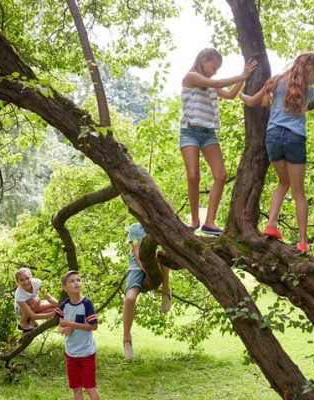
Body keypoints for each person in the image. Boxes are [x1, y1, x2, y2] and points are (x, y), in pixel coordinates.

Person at [239, 52, 314, 252]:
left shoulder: (275, 81)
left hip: (273, 137)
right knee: (298, 192)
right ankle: (302, 241)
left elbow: (251, 101)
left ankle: (271, 224)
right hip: (295, 138)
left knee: (283, 182)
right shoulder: (309, 92)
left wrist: (240, 93)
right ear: (310, 69)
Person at [180, 48, 258, 235]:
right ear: (204, 59)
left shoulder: (212, 85)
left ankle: (210, 222)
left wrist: (245, 77)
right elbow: (216, 82)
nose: (215, 71)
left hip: (208, 134)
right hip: (189, 131)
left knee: (221, 175)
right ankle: (194, 219)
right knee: (192, 175)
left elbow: (230, 95)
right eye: (214, 66)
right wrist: (242, 74)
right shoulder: (191, 77)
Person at [122, 222, 171, 361]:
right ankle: (126, 339)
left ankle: (166, 291)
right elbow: (137, 252)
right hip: (136, 266)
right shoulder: (135, 228)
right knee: (130, 298)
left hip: (157, 261)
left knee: (164, 253)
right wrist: (146, 269)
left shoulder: (159, 223)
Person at [57, 270, 100, 400]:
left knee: (89, 387)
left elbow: (94, 326)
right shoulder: (63, 306)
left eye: (78, 280)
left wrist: (72, 324)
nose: (76, 283)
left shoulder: (87, 303)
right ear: (65, 288)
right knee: (76, 388)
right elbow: (60, 326)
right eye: (72, 281)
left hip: (86, 353)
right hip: (70, 354)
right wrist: (64, 330)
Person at [13, 267, 58, 332]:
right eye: (21, 280)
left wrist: (62, 304)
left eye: (27, 278)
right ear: (18, 282)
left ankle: (30, 320)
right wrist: (51, 314)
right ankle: (23, 322)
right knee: (36, 300)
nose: (26, 282)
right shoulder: (19, 294)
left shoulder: (38, 282)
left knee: (55, 306)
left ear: (31, 277)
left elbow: (49, 298)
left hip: (35, 305)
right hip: (21, 310)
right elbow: (33, 315)